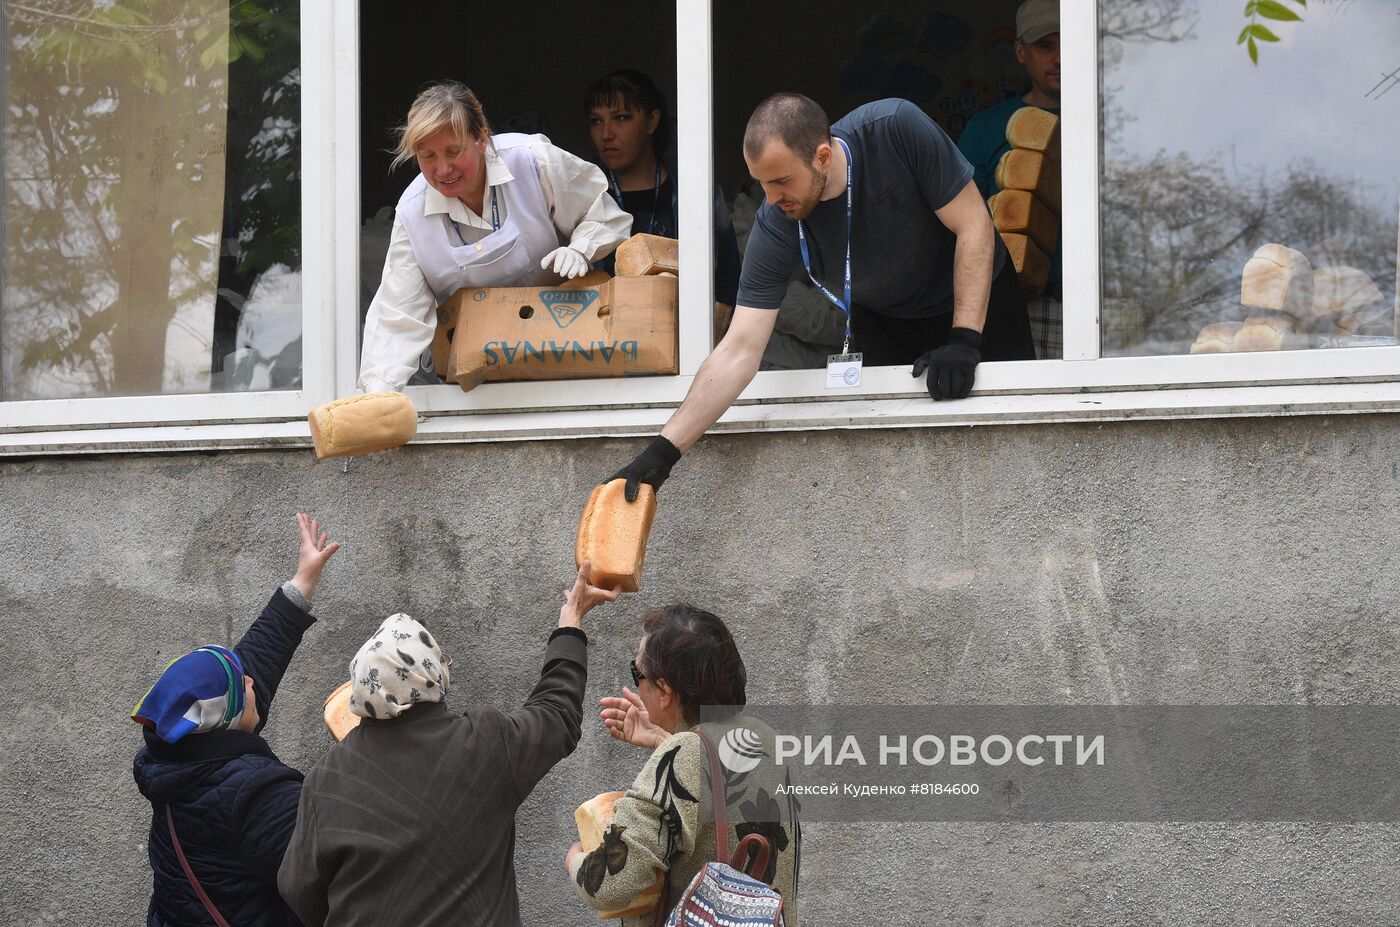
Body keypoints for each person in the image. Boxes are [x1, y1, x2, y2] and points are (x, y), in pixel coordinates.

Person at [606, 93, 1035, 500]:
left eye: (780, 181)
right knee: (906, 467)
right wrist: (660, 455)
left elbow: (974, 224)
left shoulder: (895, 128)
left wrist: (964, 340)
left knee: (1012, 448)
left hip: (977, 301)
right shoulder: (776, 219)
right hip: (884, 317)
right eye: (762, 184)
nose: (772, 199)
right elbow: (738, 349)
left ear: (823, 156)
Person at [276, 564, 619, 927]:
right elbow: (557, 714)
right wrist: (571, 618)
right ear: (433, 677)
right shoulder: (485, 743)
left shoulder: (325, 779)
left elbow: (298, 889)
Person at [131, 513, 340, 927]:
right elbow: (334, 875)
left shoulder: (180, 754)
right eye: (240, 683)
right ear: (226, 719)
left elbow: (254, 663)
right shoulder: (255, 797)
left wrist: (303, 580)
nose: (250, 679)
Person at [359, 81, 633, 394]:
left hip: (565, 351)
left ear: (482, 137)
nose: (443, 168)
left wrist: (582, 248)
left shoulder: (531, 160)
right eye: (428, 156)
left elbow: (602, 210)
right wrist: (380, 389)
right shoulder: (412, 213)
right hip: (476, 379)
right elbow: (399, 311)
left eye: (454, 150)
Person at [566, 605, 800, 926]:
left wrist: (575, 858)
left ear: (664, 690)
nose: (637, 685)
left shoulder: (684, 754)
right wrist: (665, 738)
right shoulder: (768, 738)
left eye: (638, 674)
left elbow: (608, 884)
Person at [584, 69, 742, 319]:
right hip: (606, 342)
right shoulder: (584, 192)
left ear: (652, 121)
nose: (606, 134)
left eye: (621, 118)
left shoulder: (695, 187)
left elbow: (727, 282)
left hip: (686, 338)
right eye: (596, 121)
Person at [958, 0, 1062, 357]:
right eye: (1045, 46)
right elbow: (963, 224)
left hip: (1109, 303)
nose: (1060, 58)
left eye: (1068, 42)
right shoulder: (986, 128)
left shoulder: (1115, 118)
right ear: (1021, 52)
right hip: (1017, 305)